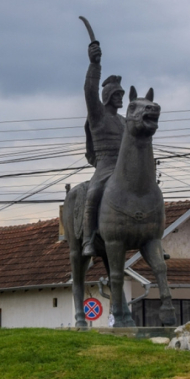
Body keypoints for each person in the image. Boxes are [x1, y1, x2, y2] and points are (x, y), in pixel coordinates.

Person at [82, 41, 125, 256]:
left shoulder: (126, 121)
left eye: (122, 95)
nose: (121, 98)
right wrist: (94, 65)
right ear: (107, 96)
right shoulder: (98, 117)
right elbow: (90, 91)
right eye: (117, 95)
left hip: (125, 166)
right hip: (105, 165)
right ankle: (89, 239)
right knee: (94, 193)